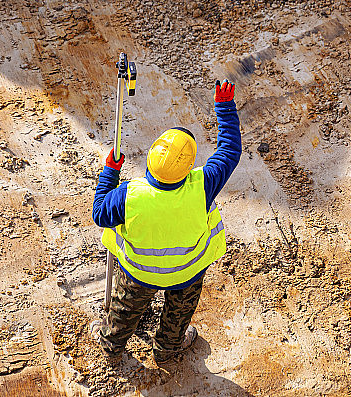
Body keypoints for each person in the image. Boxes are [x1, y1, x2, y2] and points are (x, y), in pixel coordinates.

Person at [89, 80, 240, 371]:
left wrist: (110, 173)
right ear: (189, 167)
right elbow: (230, 150)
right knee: (178, 315)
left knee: (124, 312)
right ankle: (167, 351)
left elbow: (100, 214)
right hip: (187, 271)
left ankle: (111, 346)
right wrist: (224, 106)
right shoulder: (202, 185)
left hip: (139, 272)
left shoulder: (130, 195)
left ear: (149, 160)